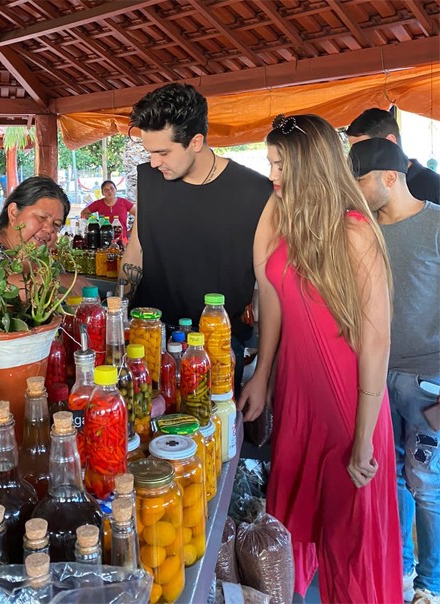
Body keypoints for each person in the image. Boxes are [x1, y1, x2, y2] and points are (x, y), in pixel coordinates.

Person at [238, 114, 401, 602]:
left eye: (281, 165)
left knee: (352, 550)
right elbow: (269, 293)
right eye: (270, 163)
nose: (273, 175)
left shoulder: (355, 231)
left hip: (347, 403)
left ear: (311, 166)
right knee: (291, 535)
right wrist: (262, 377)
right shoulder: (289, 219)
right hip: (297, 394)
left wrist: (364, 438)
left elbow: (376, 342)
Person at [121, 82, 272, 395]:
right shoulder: (149, 179)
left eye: (162, 152)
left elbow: (270, 291)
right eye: (149, 152)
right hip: (147, 343)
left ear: (196, 141)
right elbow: (136, 252)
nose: (153, 163)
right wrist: (119, 316)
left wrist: (263, 377)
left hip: (216, 349)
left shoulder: (255, 192)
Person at [350, 137, 440, 604]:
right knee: (391, 479)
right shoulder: (362, 229)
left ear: (389, 177)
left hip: (428, 385)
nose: (355, 191)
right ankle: (399, 572)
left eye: (360, 180)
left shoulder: (437, 225)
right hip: (375, 380)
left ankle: (430, 585)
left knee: (427, 487)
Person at [346, 108, 439, 204]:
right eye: (352, 150)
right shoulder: (366, 189)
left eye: (363, 148)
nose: (355, 155)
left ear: (390, 141)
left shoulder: (435, 189)